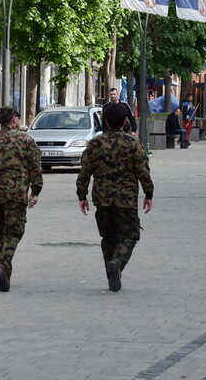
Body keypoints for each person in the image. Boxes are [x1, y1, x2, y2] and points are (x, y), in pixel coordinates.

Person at [77, 102, 154, 292]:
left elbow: (84, 172)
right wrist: (148, 193)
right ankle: (117, 263)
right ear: (125, 121)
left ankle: (112, 270)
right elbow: (143, 171)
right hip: (126, 198)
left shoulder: (95, 143)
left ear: (105, 121)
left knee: (108, 237)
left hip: (102, 198)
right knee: (130, 235)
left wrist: (82, 195)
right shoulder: (133, 143)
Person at [0, 105, 43, 292]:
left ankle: (2, 271)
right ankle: (3, 265)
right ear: (14, 119)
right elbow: (35, 169)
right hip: (16, 194)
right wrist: (35, 192)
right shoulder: (26, 141)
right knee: (13, 233)